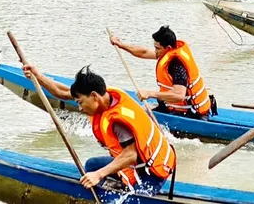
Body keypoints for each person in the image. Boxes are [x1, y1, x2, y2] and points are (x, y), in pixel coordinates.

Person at [23, 65, 175, 193]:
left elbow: (130, 155)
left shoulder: (118, 121)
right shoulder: (105, 94)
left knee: (117, 200)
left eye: (81, 102)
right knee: (91, 165)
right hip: (132, 163)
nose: (80, 108)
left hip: (151, 171)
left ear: (94, 96)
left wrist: (99, 175)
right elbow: (61, 92)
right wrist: (37, 76)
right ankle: (116, 184)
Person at [109, 26, 213, 118]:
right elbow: (144, 52)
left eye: (157, 48)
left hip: (192, 113)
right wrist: (120, 45)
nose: (155, 51)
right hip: (177, 107)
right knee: (144, 108)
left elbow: (179, 95)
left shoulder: (177, 65)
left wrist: (149, 93)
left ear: (168, 48)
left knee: (143, 113)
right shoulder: (167, 53)